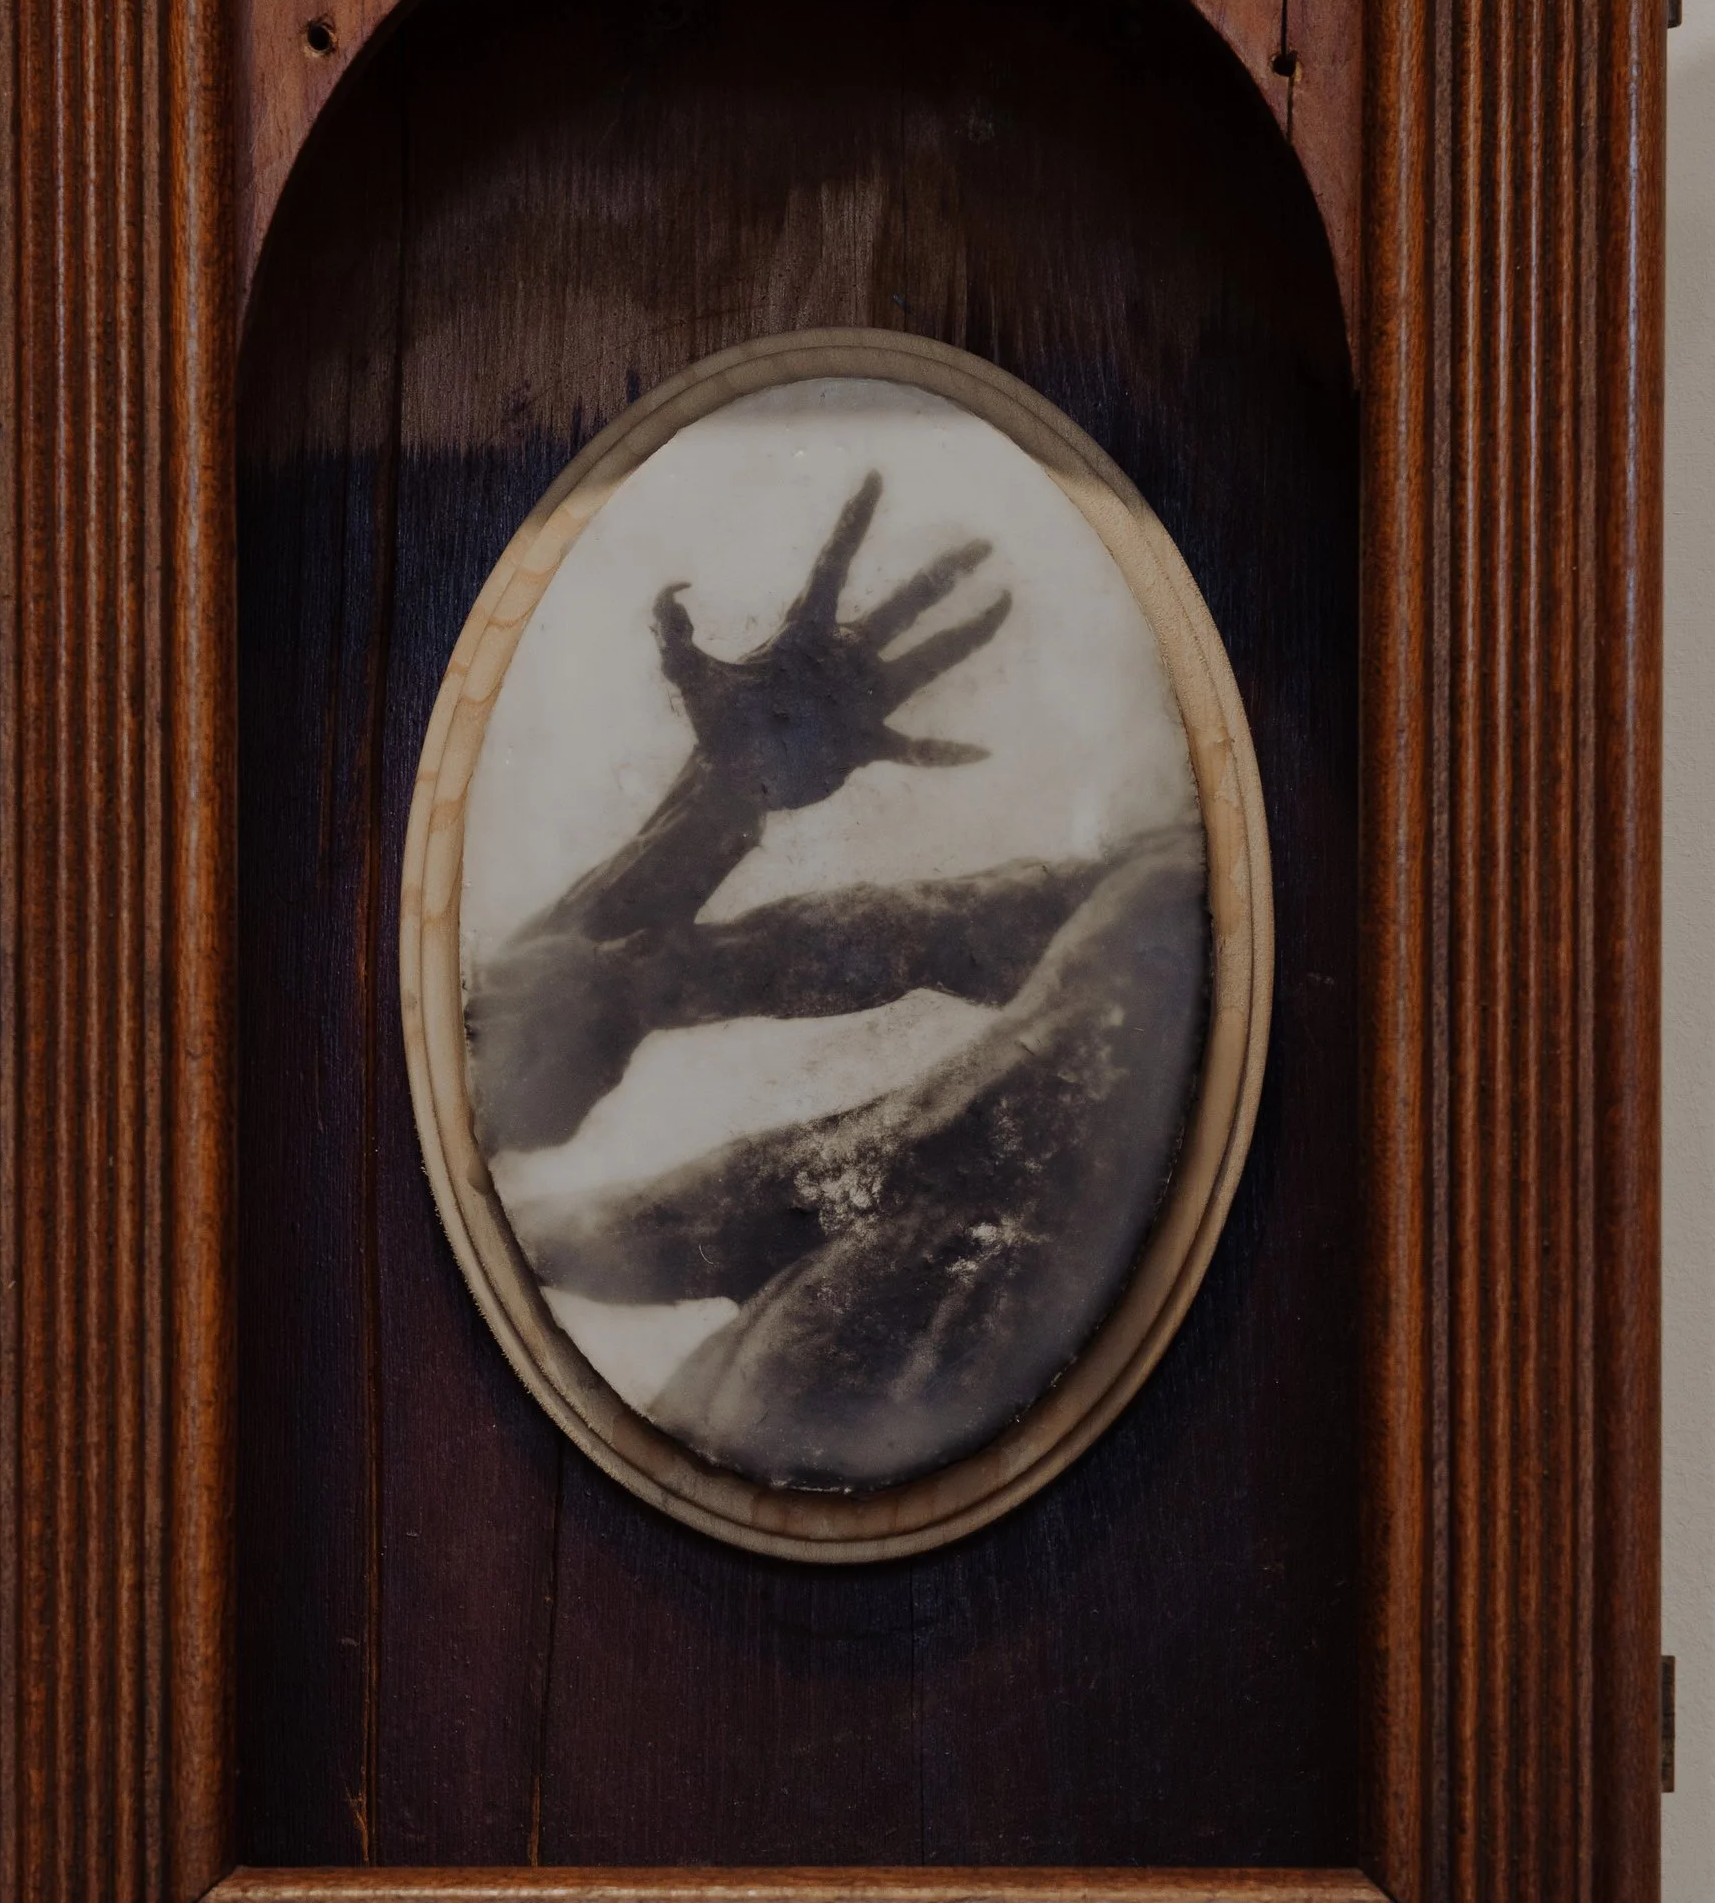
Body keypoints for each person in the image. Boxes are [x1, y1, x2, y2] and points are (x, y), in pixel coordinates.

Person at [467, 473, 1204, 1490]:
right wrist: (720, 805)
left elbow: (873, 1158)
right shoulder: (1152, 888)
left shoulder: (1171, 907)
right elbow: (902, 937)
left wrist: (498, 1238)